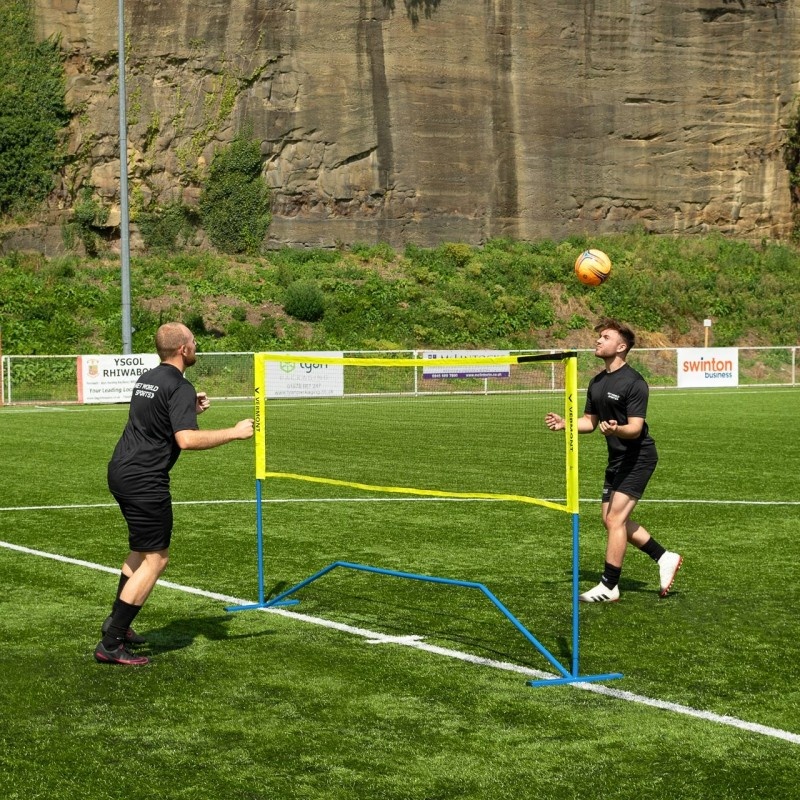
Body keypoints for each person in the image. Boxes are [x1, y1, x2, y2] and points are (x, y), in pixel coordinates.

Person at [95, 322, 254, 665]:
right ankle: (110, 643)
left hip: (121, 470)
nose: (197, 346)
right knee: (157, 559)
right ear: (183, 349)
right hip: (145, 480)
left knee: (140, 552)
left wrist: (187, 410)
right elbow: (186, 440)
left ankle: (116, 624)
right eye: (194, 341)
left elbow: (154, 419)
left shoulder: (149, 379)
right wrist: (235, 432)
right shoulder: (179, 386)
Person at [545, 318, 682, 602]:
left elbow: (634, 427)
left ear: (621, 347)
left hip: (639, 456)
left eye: (605, 337)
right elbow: (588, 422)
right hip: (618, 459)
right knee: (610, 520)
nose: (597, 341)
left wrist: (617, 429)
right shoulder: (597, 383)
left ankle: (609, 586)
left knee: (616, 518)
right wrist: (566, 423)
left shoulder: (634, 383)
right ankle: (664, 557)